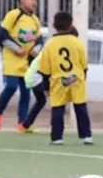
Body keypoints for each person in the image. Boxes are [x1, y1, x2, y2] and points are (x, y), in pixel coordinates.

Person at [0, 0, 42, 131]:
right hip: (12, 60)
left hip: (27, 63)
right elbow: (2, 35)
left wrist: (35, 50)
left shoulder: (35, 20)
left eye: (36, 0)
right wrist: (16, 48)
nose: (34, 3)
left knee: (26, 93)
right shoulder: (13, 15)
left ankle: (23, 123)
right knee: (11, 87)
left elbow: (39, 40)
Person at [38, 12, 92, 146]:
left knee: (58, 108)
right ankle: (86, 136)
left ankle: (57, 137)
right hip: (76, 79)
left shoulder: (49, 44)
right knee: (80, 107)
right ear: (70, 26)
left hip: (58, 80)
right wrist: (82, 79)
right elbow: (84, 65)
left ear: (54, 26)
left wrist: (46, 87)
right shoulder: (76, 42)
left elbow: (45, 69)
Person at [21, 26, 79, 133]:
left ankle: (25, 125)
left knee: (41, 101)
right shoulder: (55, 49)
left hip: (31, 76)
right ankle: (56, 125)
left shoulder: (54, 45)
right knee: (58, 95)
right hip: (37, 77)